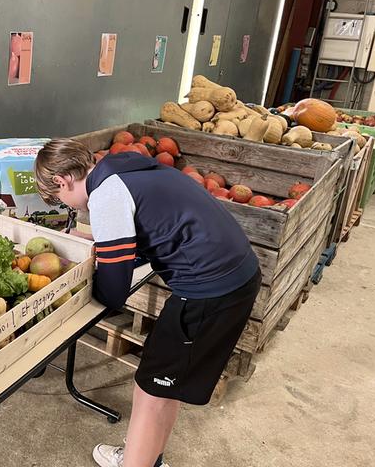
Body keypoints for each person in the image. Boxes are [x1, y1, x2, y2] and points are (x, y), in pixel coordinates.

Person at [34, 138, 261, 467]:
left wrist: (74, 303)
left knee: (154, 392)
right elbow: (147, 229)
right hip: (231, 276)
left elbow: (113, 290)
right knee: (158, 386)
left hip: (210, 292)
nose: (68, 207)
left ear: (62, 181)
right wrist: (90, 243)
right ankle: (146, 459)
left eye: (59, 199)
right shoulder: (125, 168)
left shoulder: (107, 196)